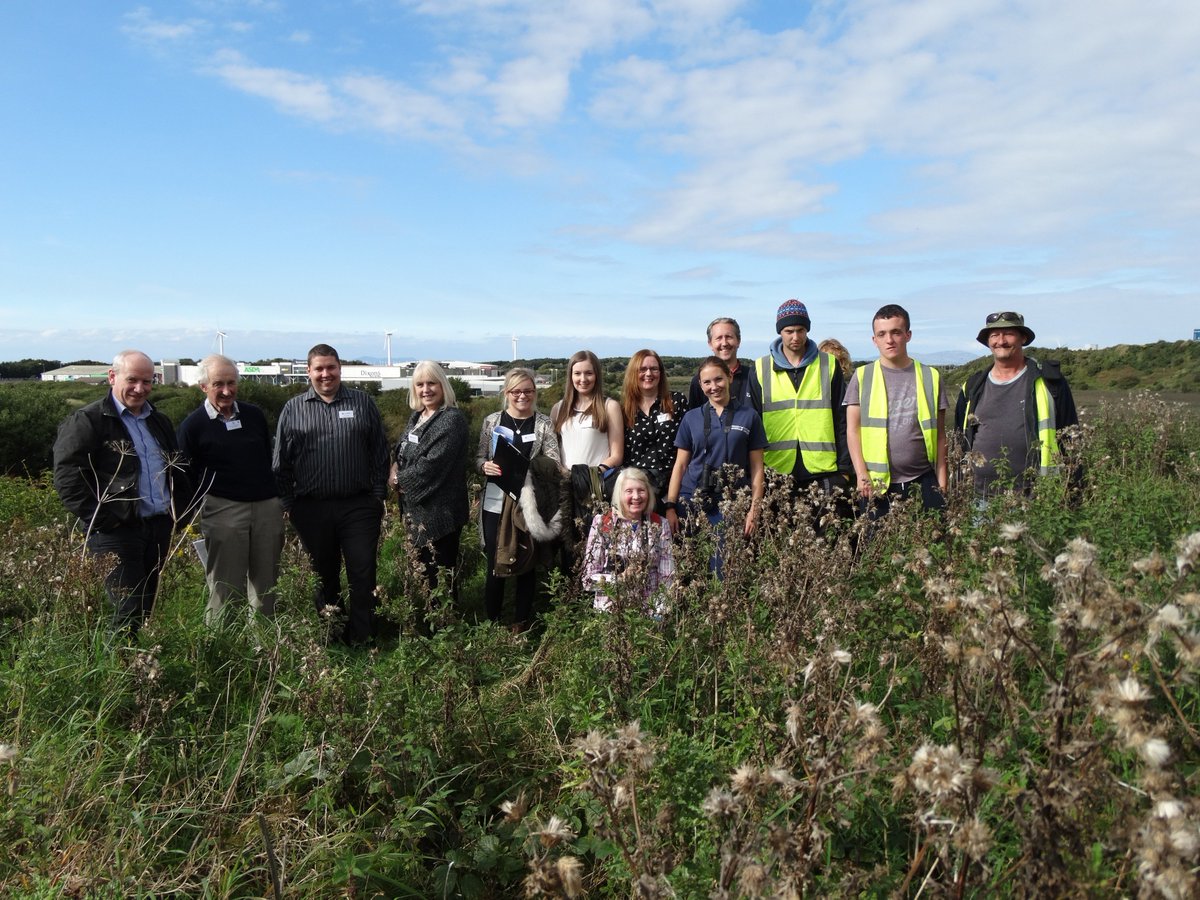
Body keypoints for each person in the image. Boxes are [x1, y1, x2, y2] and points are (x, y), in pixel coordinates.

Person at [52, 350, 193, 635]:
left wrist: (179, 513)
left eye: (147, 381)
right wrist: (104, 519)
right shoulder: (88, 420)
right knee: (129, 608)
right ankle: (121, 672)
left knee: (147, 606)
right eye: (132, 380)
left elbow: (175, 468)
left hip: (158, 526)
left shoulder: (158, 421)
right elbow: (68, 478)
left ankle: (140, 670)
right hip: (116, 531)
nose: (140, 388)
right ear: (112, 377)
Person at [273, 344, 389, 645]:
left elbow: (379, 451)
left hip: (359, 506)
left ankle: (362, 636)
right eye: (319, 368)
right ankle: (333, 633)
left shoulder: (363, 403)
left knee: (362, 572)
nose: (326, 374)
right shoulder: (293, 408)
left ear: (340, 368)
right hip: (311, 508)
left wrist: (378, 496)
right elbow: (280, 462)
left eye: (331, 367)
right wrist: (289, 503)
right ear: (308, 371)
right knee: (323, 575)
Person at [177, 354, 284, 623]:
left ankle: (264, 647)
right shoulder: (192, 426)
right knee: (225, 584)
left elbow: (266, 457)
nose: (226, 391)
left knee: (267, 582)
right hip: (223, 508)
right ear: (203, 386)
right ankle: (222, 648)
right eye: (218, 384)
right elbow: (186, 475)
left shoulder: (254, 415)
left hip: (266, 506)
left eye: (231, 383)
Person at [953, 311, 1078, 498]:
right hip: (979, 498)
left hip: (1036, 497)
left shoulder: (1050, 382)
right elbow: (960, 440)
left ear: (1023, 338)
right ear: (988, 342)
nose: (1001, 341)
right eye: (994, 335)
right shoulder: (972, 386)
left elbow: (1071, 439)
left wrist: (1074, 491)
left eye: (1008, 334)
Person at [477, 368, 563, 630]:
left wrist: (526, 467)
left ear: (535, 392)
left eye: (528, 390)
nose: (522, 396)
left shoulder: (544, 423)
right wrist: (484, 466)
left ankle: (520, 623)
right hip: (495, 500)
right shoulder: (492, 421)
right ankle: (492, 623)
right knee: (495, 559)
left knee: (527, 560)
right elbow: (479, 457)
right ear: (507, 393)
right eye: (516, 391)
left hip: (529, 502)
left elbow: (554, 462)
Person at [664, 357, 767, 573]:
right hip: (691, 497)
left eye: (718, 379)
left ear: (729, 377)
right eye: (707, 382)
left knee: (723, 569)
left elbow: (757, 469)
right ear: (700, 385)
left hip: (730, 501)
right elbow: (680, 465)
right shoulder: (691, 418)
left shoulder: (750, 417)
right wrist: (671, 506)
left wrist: (754, 510)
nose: (714, 387)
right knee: (689, 568)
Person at [844, 305, 947, 518]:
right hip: (876, 484)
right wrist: (862, 475)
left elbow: (940, 435)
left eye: (896, 332)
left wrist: (942, 481)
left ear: (908, 335)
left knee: (929, 549)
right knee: (879, 550)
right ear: (874, 340)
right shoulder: (862, 377)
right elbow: (853, 431)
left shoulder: (931, 377)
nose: (889, 340)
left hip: (924, 481)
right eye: (882, 334)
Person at [749, 299, 851, 503]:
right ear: (780, 332)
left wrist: (845, 470)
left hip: (823, 471)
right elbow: (752, 424)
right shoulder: (760, 368)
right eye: (789, 331)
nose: (795, 337)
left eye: (801, 330)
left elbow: (842, 419)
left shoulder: (828, 364)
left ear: (807, 330)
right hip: (776, 470)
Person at [389, 360, 470, 598]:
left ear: (443, 385)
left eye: (432, 383)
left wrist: (397, 481)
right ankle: (430, 625)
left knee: (440, 577)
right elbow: (400, 450)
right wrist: (394, 468)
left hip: (440, 515)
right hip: (417, 512)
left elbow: (430, 466)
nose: (426, 389)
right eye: (420, 384)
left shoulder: (451, 419)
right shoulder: (418, 416)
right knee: (424, 575)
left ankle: (447, 628)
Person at [582, 467, 674, 614]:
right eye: (629, 491)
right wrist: (619, 579)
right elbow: (587, 580)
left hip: (649, 611)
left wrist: (659, 611)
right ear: (619, 494)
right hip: (610, 610)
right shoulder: (602, 523)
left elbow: (667, 576)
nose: (636, 496)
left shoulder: (659, 524)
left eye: (641, 490)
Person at [620, 349, 688, 511]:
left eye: (654, 369)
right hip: (638, 493)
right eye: (642, 369)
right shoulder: (624, 410)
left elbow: (688, 446)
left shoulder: (677, 402)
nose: (648, 374)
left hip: (674, 486)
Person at [687, 317, 754, 409]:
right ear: (710, 344)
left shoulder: (754, 376)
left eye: (729, 337)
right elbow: (694, 418)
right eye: (718, 338)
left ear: (738, 341)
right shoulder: (699, 381)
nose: (724, 343)